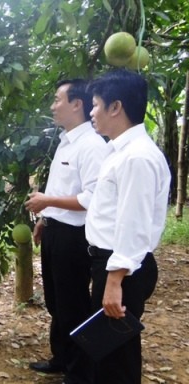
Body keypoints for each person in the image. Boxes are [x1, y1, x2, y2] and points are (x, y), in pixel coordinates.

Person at [85, 69, 171, 384]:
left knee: (116, 360)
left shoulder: (136, 158)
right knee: (109, 353)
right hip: (111, 264)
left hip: (122, 269)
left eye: (95, 104)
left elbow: (132, 223)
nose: (91, 112)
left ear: (115, 107)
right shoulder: (120, 152)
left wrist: (114, 279)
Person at [25, 79, 107, 384]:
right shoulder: (66, 140)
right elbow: (60, 189)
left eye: (58, 99)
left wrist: (47, 201)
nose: (53, 106)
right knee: (55, 300)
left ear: (77, 104)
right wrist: (45, 218)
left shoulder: (92, 146)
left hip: (76, 237)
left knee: (73, 304)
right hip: (56, 232)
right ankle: (61, 358)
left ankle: (79, 372)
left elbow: (92, 198)